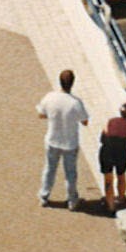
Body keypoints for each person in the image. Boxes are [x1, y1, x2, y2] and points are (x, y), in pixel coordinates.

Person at [37, 67, 88, 208]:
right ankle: (72, 201)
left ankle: (44, 196)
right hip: (70, 143)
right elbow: (85, 121)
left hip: (52, 140)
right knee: (70, 173)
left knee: (49, 169)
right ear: (72, 83)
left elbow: (41, 114)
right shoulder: (76, 103)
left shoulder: (50, 97)